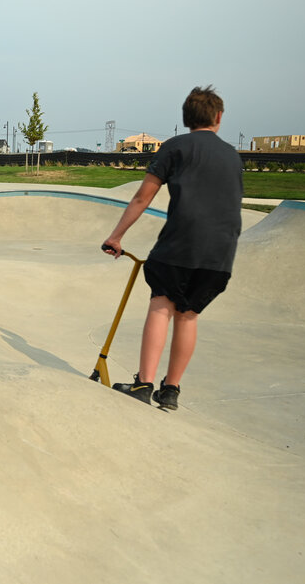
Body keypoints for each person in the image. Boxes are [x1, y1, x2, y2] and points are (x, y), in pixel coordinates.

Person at [101, 85, 243, 410]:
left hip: (180, 245)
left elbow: (142, 197)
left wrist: (116, 236)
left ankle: (144, 383)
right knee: (188, 316)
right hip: (220, 254)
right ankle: (171, 391)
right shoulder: (233, 157)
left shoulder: (175, 148)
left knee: (162, 305)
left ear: (186, 117)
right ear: (219, 117)